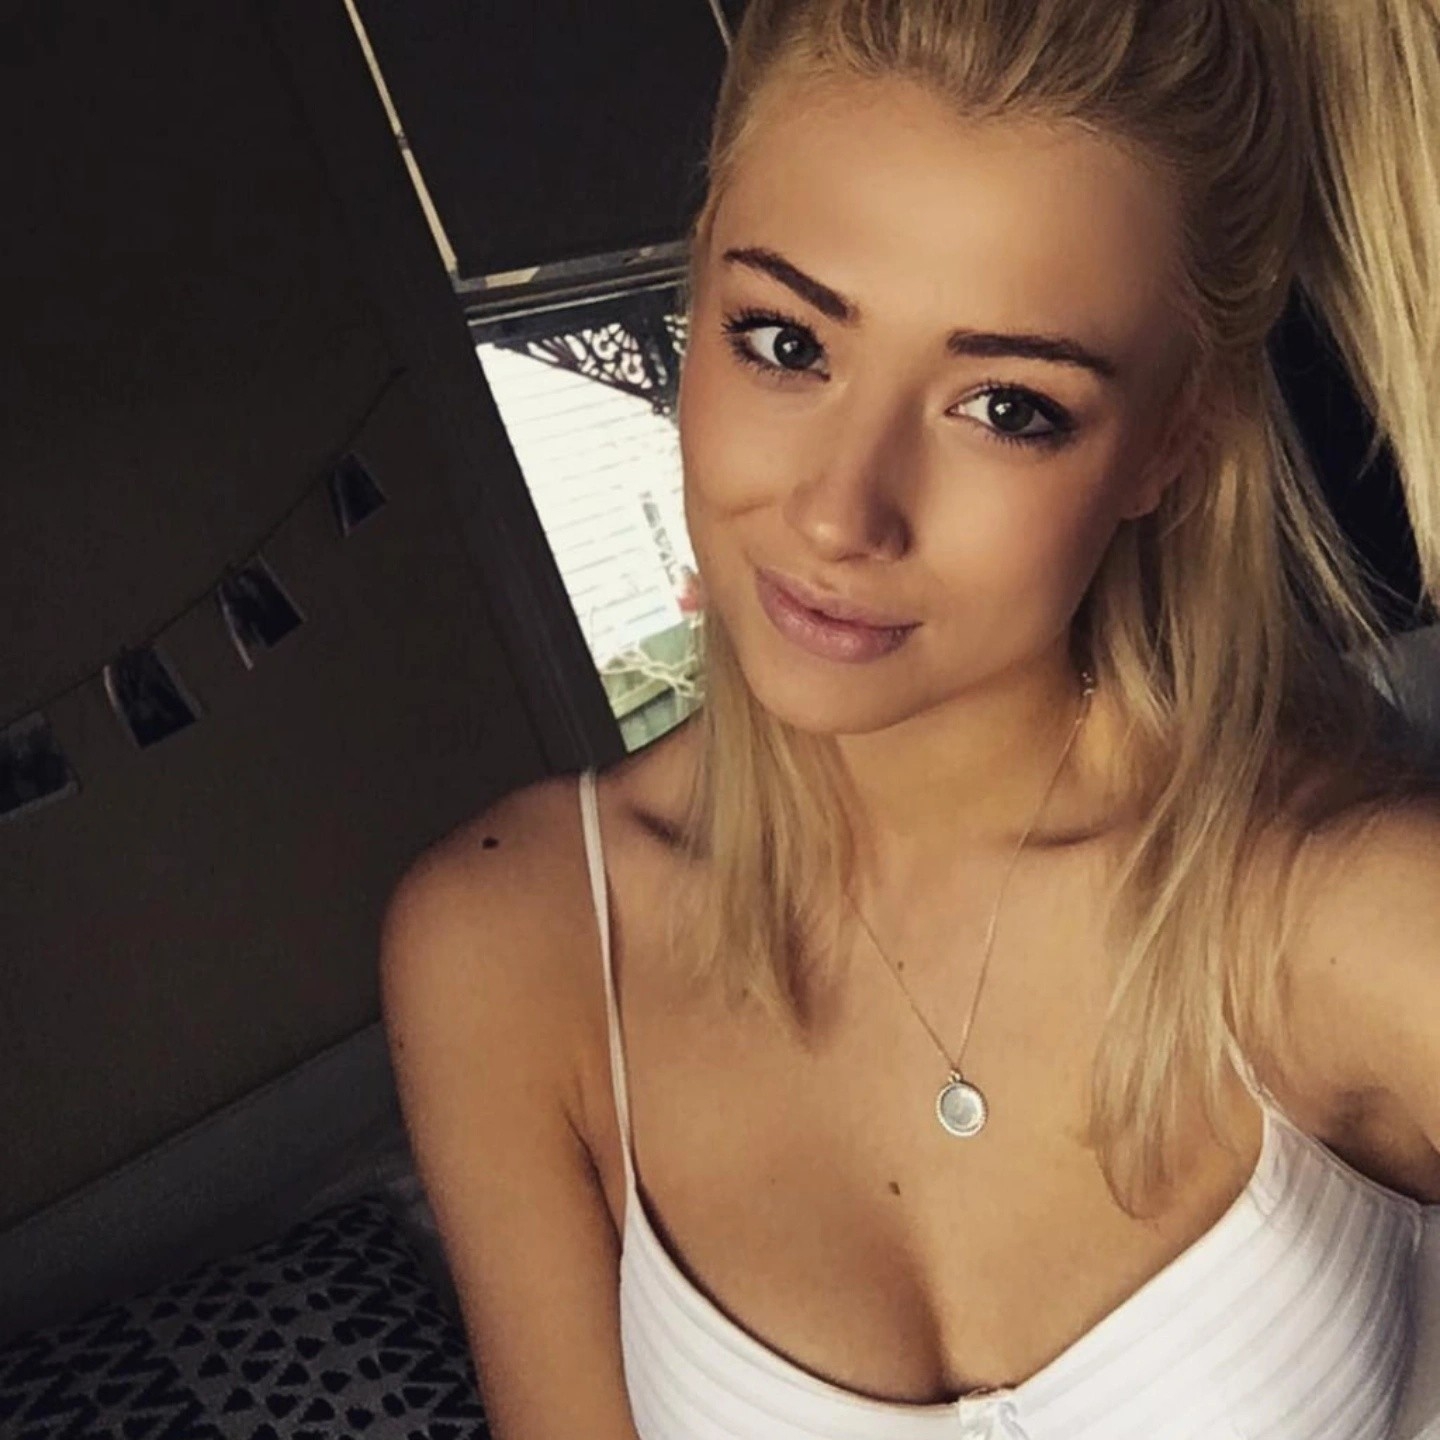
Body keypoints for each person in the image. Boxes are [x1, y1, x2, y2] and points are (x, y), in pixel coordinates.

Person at [379, 2, 1440, 1436]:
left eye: (1007, 406)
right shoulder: (514, 952)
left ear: (1169, 445)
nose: (841, 512)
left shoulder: (1350, 913)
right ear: (696, 288)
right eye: (785, 341)